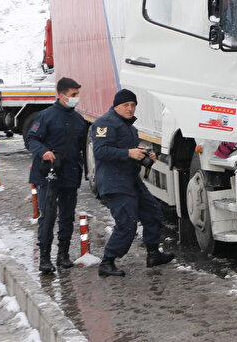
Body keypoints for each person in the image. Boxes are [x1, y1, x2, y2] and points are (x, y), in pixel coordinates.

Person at [92, 88, 174, 276]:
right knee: (127, 223)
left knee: (152, 212)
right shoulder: (104, 123)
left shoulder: (129, 126)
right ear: (116, 106)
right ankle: (107, 262)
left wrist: (143, 155)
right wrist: (128, 153)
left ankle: (153, 254)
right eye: (125, 105)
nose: (130, 109)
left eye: (133, 105)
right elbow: (100, 151)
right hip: (114, 182)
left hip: (130, 180)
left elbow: (125, 150)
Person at [25, 76, 88, 274]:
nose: (76, 98)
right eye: (73, 95)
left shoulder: (79, 120)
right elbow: (31, 139)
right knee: (48, 215)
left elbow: (82, 148)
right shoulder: (46, 116)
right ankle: (44, 258)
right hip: (48, 175)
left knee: (67, 216)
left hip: (70, 174)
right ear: (61, 95)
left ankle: (63, 255)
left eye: (77, 95)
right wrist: (43, 151)